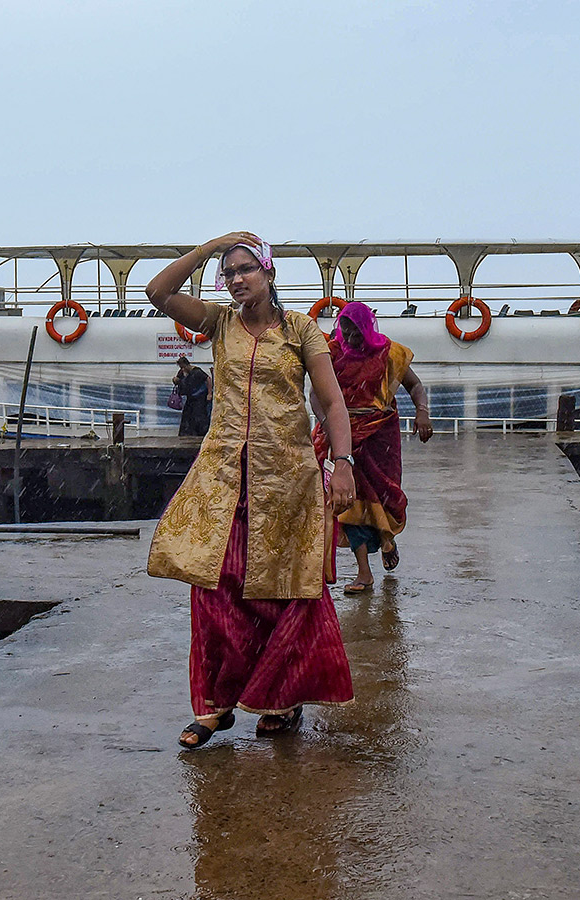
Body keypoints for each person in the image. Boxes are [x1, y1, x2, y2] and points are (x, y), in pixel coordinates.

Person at [144, 231, 357, 750]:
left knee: (288, 591)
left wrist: (344, 463)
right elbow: (157, 291)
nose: (237, 279)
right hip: (223, 479)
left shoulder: (300, 331)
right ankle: (215, 708)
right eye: (229, 273)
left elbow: (330, 404)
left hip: (288, 481)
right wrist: (207, 246)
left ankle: (280, 700)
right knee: (216, 591)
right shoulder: (218, 324)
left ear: (269, 273)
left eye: (245, 269)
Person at [311, 301, 433, 594]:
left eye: (357, 329)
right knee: (346, 501)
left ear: (369, 327)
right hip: (342, 436)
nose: (351, 335)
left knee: (382, 494)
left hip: (379, 436)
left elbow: (414, 386)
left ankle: (386, 534)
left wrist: (423, 411)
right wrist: (327, 424)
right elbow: (316, 393)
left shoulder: (389, 353)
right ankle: (364, 573)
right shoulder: (332, 353)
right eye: (346, 327)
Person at [173, 355, 212, 436]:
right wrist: (175, 380)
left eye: (183, 367)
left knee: (199, 416)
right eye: (181, 367)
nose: (182, 369)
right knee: (187, 415)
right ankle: (187, 432)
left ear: (187, 364)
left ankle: (201, 432)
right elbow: (178, 380)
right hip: (190, 398)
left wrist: (209, 393)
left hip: (200, 397)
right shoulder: (181, 372)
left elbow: (208, 379)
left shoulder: (197, 372)